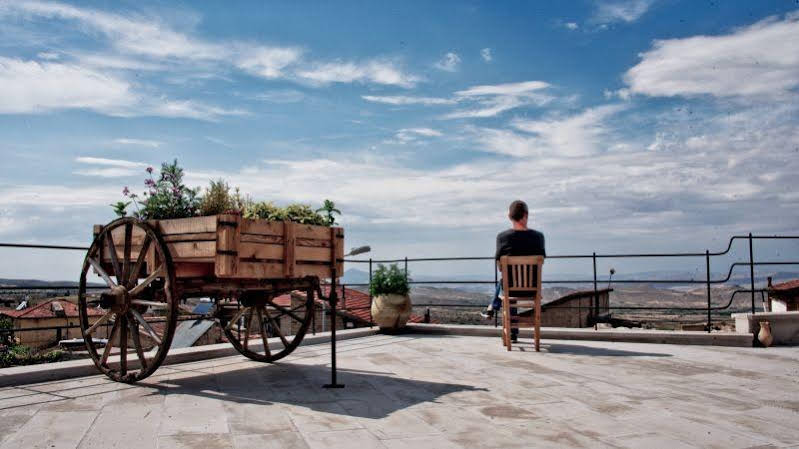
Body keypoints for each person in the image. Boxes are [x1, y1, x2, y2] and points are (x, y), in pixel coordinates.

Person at [480, 200, 546, 341]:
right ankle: (495, 309)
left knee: (506, 282)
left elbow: (500, 267)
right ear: (526, 215)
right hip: (533, 289)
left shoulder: (503, 237)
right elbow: (542, 263)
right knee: (507, 282)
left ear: (510, 217)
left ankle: (511, 331)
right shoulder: (538, 237)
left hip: (511, 289)